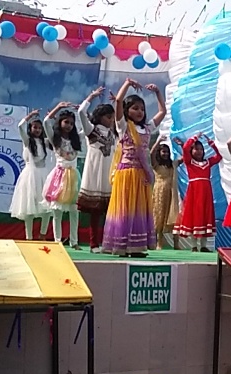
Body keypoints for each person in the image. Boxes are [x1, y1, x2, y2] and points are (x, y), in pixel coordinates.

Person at [102, 78, 166, 257]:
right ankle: (121, 246)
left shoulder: (147, 127)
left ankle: (136, 247)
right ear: (127, 111)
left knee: (139, 210)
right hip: (126, 173)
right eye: (135, 108)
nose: (139, 112)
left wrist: (158, 92)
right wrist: (128, 83)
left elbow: (163, 111)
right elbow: (118, 101)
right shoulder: (123, 126)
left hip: (141, 174)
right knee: (125, 210)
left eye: (142, 109)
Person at [77, 87, 117, 253]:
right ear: (100, 116)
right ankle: (93, 244)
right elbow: (81, 112)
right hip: (95, 172)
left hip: (109, 173)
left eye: (112, 117)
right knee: (95, 212)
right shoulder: (91, 129)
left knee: (110, 211)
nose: (111, 120)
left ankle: (108, 242)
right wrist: (91, 96)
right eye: (108, 117)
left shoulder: (114, 134)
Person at [42, 102, 85, 249]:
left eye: (72, 123)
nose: (69, 126)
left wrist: (83, 111)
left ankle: (74, 241)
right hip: (59, 177)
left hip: (73, 178)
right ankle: (57, 241)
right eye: (66, 122)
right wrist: (59, 107)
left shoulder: (76, 139)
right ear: (60, 122)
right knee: (57, 211)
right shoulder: (55, 138)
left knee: (74, 211)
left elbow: (87, 128)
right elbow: (46, 122)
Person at [172, 132, 222, 252]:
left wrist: (211, 143)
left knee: (205, 215)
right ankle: (194, 245)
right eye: (196, 149)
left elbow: (219, 156)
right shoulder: (189, 162)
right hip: (194, 193)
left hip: (206, 193)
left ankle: (203, 245)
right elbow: (185, 148)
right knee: (194, 216)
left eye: (201, 149)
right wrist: (194, 137)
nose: (199, 151)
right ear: (192, 151)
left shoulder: (208, 162)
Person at [9, 110, 53, 240]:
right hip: (29, 176)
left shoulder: (45, 142)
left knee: (47, 207)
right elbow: (20, 126)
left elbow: (54, 137)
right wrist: (30, 116)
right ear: (30, 128)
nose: (37, 130)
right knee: (28, 207)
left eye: (39, 128)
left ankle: (42, 234)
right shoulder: (27, 141)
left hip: (43, 175)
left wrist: (51, 118)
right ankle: (29, 237)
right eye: (35, 127)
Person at [150, 136, 183, 250]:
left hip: (172, 193)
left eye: (167, 152)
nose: (166, 154)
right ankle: (159, 242)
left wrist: (182, 145)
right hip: (160, 192)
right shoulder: (156, 165)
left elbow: (185, 158)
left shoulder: (173, 164)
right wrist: (158, 141)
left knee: (174, 215)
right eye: (163, 151)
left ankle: (176, 243)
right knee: (159, 216)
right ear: (159, 153)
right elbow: (151, 153)